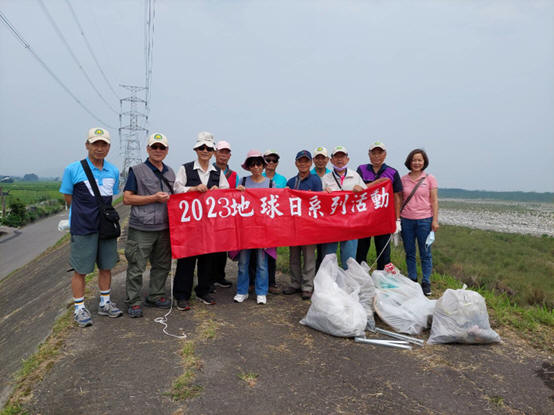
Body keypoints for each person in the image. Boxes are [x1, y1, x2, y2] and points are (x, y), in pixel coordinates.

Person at [59, 127, 123, 327]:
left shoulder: (113, 171)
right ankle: (79, 308)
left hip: (105, 227)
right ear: (87, 145)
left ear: (109, 147)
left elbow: (110, 196)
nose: (99, 148)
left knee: (106, 266)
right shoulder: (73, 169)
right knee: (81, 270)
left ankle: (105, 302)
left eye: (104, 144)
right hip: (83, 227)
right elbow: (68, 197)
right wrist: (81, 214)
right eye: (95, 144)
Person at [173, 132, 229, 310]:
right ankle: (182, 295)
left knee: (207, 259)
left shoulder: (218, 173)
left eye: (209, 148)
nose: (205, 151)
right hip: (189, 224)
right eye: (202, 148)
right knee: (186, 261)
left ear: (213, 152)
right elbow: (176, 189)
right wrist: (193, 189)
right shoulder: (185, 168)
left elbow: (227, 193)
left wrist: (218, 191)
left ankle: (203, 290)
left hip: (209, 225)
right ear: (196, 150)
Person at [123, 132, 175, 318]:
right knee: (136, 266)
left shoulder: (170, 172)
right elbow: (127, 198)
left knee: (162, 265)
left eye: (162, 147)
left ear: (167, 150)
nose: (158, 150)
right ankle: (134, 301)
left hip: (164, 227)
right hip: (141, 228)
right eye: (154, 147)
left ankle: (156, 295)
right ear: (148, 149)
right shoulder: (136, 171)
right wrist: (153, 198)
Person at [234, 150, 276, 305]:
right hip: (245, 229)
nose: (256, 167)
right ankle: (242, 291)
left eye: (258, 163)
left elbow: (276, 205)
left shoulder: (271, 184)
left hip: (263, 230)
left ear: (263, 166)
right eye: (252, 164)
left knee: (262, 263)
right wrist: (237, 192)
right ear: (248, 167)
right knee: (243, 263)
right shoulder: (243, 181)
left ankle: (261, 292)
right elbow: (235, 202)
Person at [355, 141, 403, 269]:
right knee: (361, 250)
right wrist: (378, 182)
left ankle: (382, 277)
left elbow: (397, 197)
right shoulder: (361, 169)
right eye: (373, 153)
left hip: (383, 219)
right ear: (369, 154)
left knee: (383, 253)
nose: (376, 156)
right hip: (364, 217)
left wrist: (397, 220)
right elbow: (357, 189)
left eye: (379, 153)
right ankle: (360, 276)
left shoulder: (392, 172)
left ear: (385, 154)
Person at [283, 150, 322, 299]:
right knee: (293, 256)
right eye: (300, 161)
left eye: (306, 161)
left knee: (309, 257)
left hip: (309, 226)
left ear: (310, 163)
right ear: (296, 163)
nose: (303, 164)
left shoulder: (316, 180)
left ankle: (307, 286)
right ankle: (295, 283)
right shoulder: (291, 182)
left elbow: (319, 201)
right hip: (293, 225)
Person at [400, 149, 439, 296]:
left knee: (425, 253)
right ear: (409, 162)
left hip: (425, 220)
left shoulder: (430, 179)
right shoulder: (403, 179)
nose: (416, 163)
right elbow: (399, 199)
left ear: (424, 162)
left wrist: (435, 220)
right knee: (409, 252)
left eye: (419, 160)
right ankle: (413, 279)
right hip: (406, 220)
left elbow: (434, 200)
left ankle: (426, 282)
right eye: (414, 160)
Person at [321, 146, 366, 269]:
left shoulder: (355, 176)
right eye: (336, 157)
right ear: (331, 160)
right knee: (329, 257)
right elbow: (318, 201)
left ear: (347, 159)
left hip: (350, 223)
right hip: (331, 223)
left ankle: (349, 280)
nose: (339, 159)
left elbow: (366, 197)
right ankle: (329, 280)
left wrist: (361, 190)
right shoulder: (326, 178)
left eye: (342, 156)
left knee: (349, 259)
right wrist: (323, 193)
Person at [250, 149, 286, 293]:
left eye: (274, 160)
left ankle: (271, 282)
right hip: (254, 222)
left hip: (272, 222)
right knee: (253, 253)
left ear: (277, 163)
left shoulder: (282, 179)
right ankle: (252, 282)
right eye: (268, 160)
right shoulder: (256, 176)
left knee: (271, 253)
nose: (271, 162)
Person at [211, 140, 239, 289]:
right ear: (215, 153)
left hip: (226, 217)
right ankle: (208, 279)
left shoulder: (234, 175)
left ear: (230, 155)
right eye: (221, 151)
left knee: (222, 248)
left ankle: (219, 277)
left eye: (226, 152)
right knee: (209, 249)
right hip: (210, 216)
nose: (223, 155)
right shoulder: (208, 170)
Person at [310, 146, 330, 271]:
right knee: (311, 251)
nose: (320, 161)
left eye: (323, 158)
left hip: (327, 219)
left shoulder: (332, 175)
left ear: (327, 160)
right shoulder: (308, 175)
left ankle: (324, 275)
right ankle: (312, 276)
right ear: (313, 160)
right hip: (312, 218)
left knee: (325, 251)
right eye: (318, 158)